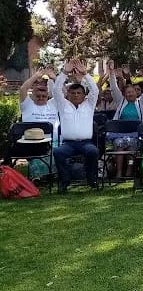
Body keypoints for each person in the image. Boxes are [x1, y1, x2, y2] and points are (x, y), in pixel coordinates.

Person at [52, 59, 100, 192]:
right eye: (73, 93)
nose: (76, 95)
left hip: (86, 143)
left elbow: (95, 91)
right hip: (68, 144)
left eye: (79, 93)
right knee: (57, 152)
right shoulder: (63, 105)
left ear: (84, 95)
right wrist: (65, 73)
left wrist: (86, 74)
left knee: (93, 151)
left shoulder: (89, 105)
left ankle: (91, 179)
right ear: (68, 95)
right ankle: (64, 181)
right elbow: (56, 90)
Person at [107, 60, 143, 179]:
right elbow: (113, 88)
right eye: (127, 92)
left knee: (130, 145)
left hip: (136, 135)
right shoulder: (121, 102)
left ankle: (129, 170)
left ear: (136, 92)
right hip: (120, 135)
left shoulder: (141, 103)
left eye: (132, 92)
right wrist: (111, 73)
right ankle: (119, 172)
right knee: (120, 144)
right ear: (124, 94)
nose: (130, 94)